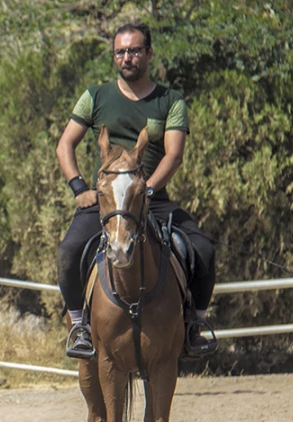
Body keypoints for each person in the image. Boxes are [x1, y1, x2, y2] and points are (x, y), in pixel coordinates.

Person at [55, 21, 217, 359]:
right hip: (108, 200)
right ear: (114, 56)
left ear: (148, 53)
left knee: (203, 249)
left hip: (151, 197)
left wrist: (149, 190)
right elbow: (65, 145)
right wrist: (79, 188)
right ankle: (79, 327)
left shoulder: (170, 101)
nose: (127, 57)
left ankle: (195, 326)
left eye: (134, 50)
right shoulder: (95, 96)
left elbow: (174, 155)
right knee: (70, 251)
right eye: (120, 52)